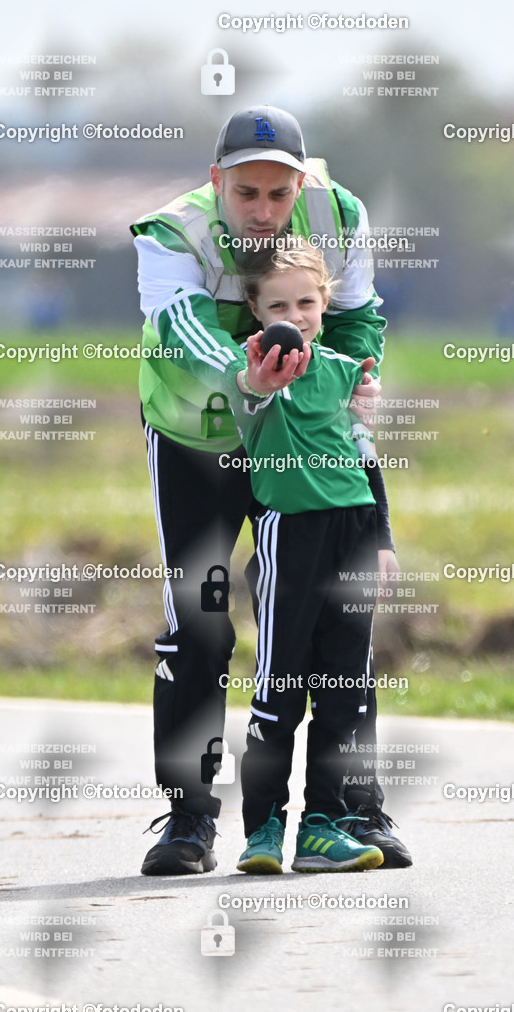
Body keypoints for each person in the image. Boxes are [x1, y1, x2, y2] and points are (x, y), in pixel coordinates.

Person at [131, 104, 412, 875]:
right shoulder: (169, 232)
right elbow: (180, 326)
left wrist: (357, 385)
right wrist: (246, 375)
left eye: (277, 195)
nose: (261, 210)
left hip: (304, 441)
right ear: (217, 180)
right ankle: (189, 819)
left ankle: (354, 807)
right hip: (202, 435)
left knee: (336, 621)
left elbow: (357, 317)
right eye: (245, 193)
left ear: (298, 184)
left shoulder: (340, 212)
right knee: (200, 621)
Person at [232, 238, 395, 873]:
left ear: (325, 303)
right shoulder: (253, 365)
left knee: (344, 688)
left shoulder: (346, 372)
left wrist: (381, 540)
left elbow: (366, 456)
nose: (294, 314)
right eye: (278, 303)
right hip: (290, 536)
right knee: (281, 685)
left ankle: (324, 823)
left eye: (306, 301)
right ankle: (264, 825)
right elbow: (246, 400)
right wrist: (259, 380)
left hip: (352, 530)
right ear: (255, 308)